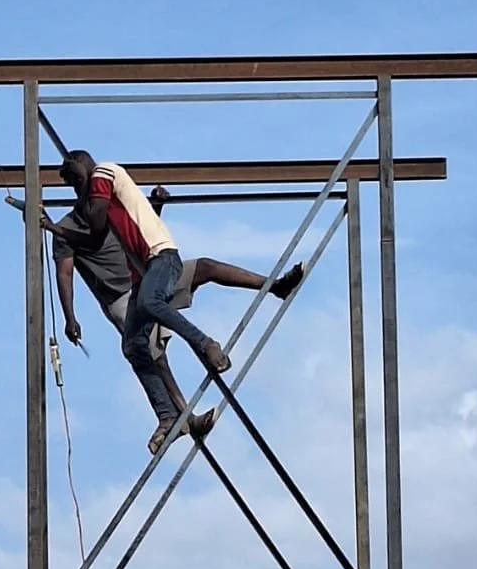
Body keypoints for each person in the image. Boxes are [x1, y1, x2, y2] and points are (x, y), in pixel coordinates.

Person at [54, 152, 304, 453]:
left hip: (151, 273)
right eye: (76, 186)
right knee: (151, 353)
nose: (80, 191)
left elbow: (137, 227)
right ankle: (182, 416)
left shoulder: (102, 198)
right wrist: (70, 316)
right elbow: (67, 270)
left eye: (79, 183)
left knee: (205, 268)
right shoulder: (82, 217)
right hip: (122, 295)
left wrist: (153, 206)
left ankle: (273, 286)